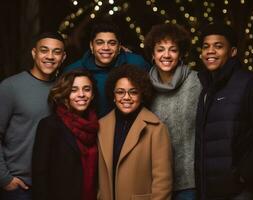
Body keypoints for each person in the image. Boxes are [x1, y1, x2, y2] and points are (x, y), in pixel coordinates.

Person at [195, 22, 253, 200]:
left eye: (218, 46)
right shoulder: (204, 88)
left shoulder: (251, 83)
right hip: (209, 191)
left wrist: (244, 175)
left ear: (233, 52)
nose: (210, 51)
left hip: (241, 192)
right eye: (206, 46)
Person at [0, 32, 66, 200]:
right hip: (20, 186)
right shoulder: (11, 87)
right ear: (34, 53)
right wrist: (5, 178)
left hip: (53, 184)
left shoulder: (64, 89)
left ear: (63, 57)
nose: (50, 56)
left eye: (56, 52)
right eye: (44, 50)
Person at [97, 64, 173, 200]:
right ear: (113, 96)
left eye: (133, 92)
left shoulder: (156, 129)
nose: (126, 97)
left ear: (142, 95)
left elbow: (163, 182)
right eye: (120, 92)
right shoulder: (101, 126)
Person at [144, 23, 201, 200]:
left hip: (190, 182)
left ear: (181, 54)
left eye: (173, 50)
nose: (166, 55)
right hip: (154, 181)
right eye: (160, 49)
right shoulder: (144, 88)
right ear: (153, 55)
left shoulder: (198, 82)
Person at [32, 70, 99, 200]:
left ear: (93, 95)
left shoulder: (96, 125)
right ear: (64, 94)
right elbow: (40, 175)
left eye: (86, 89)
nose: (81, 94)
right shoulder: (49, 126)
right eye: (73, 90)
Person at [63, 20, 151, 117]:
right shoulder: (73, 70)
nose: (106, 47)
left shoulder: (137, 63)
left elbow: (151, 93)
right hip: (89, 128)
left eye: (112, 43)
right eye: (99, 43)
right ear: (91, 46)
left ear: (119, 47)